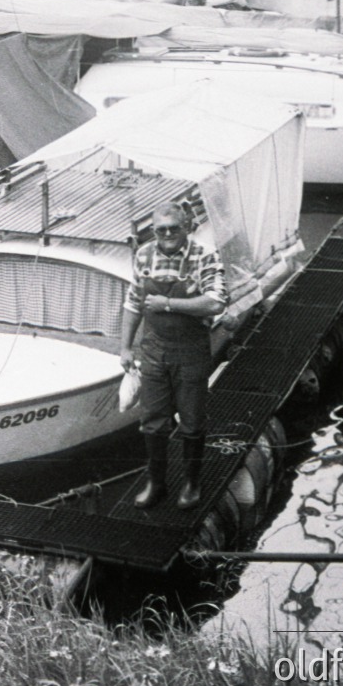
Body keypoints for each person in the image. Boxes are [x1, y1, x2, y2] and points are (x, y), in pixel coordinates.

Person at [118, 201, 226, 510]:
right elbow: (133, 303)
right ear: (153, 231)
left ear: (187, 227)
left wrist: (168, 303)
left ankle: (192, 483)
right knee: (152, 421)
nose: (167, 234)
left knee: (191, 422)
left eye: (173, 228)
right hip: (152, 350)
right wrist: (125, 347)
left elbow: (215, 303)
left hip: (191, 350)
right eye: (161, 229)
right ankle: (157, 483)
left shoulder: (203, 255)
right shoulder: (144, 255)